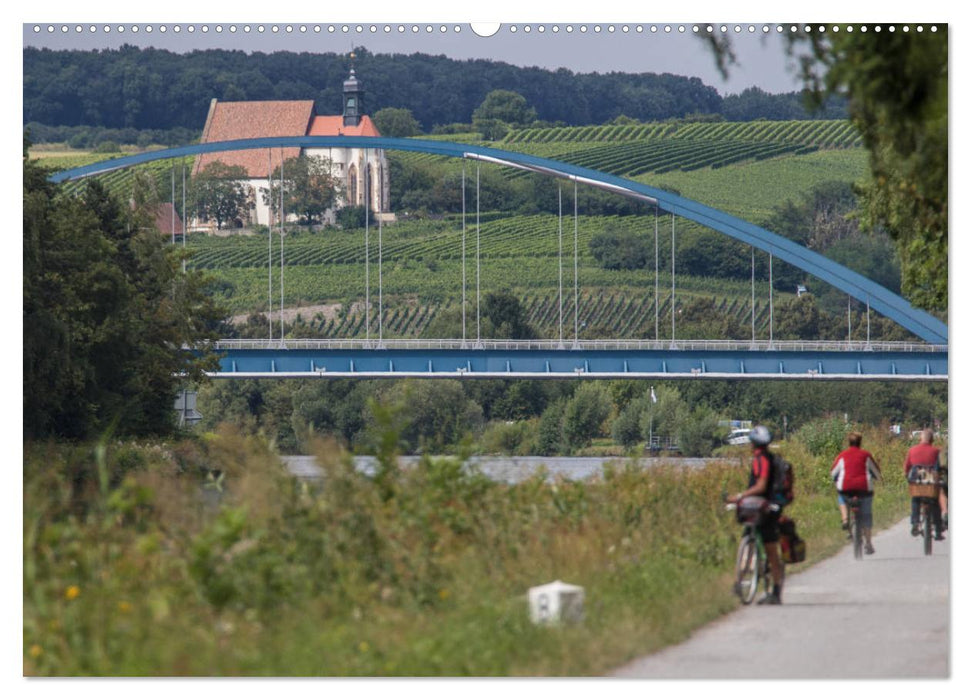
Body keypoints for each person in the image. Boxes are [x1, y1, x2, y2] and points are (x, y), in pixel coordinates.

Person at [729, 425, 785, 605]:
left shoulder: (761, 460)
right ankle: (744, 579)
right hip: (759, 507)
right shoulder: (766, 458)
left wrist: (739, 496)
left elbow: (760, 486)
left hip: (765, 508)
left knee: (770, 550)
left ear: (753, 444)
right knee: (750, 538)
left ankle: (775, 591)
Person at [831, 432, 882, 554]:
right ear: (860, 442)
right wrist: (877, 478)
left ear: (849, 442)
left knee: (841, 497)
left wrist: (837, 480)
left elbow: (833, 473)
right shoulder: (866, 455)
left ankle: (845, 519)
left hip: (846, 488)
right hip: (864, 489)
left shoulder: (842, 455)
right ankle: (868, 543)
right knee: (866, 514)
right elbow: (876, 472)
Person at [904, 429, 944, 540]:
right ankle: (938, 529)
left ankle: (915, 523)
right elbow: (940, 467)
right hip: (931, 482)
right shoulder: (935, 451)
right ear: (931, 440)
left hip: (916, 481)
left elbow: (907, 467)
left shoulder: (912, 450)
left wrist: (907, 476)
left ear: (920, 439)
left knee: (915, 500)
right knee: (935, 503)